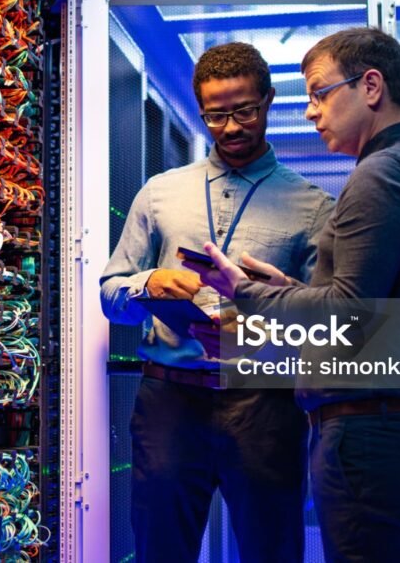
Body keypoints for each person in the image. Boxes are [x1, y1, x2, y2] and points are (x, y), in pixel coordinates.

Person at [186, 27, 400, 562]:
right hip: (396, 429)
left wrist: (241, 290)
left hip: (370, 434)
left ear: (371, 86)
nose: (312, 111)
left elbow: (346, 315)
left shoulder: (379, 176)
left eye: (319, 92)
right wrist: (289, 290)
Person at [100, 41, 334, 563]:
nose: (230, 128)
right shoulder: (159, 193)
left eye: (244, 111)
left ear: (269, 101)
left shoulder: (315, 208)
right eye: (215, 115)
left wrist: (264, 326)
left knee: (272, 551)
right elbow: (110, 295)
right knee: (160, 550)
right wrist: (148, 284)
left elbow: (327, 327)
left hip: (265, 407)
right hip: (170, 405)